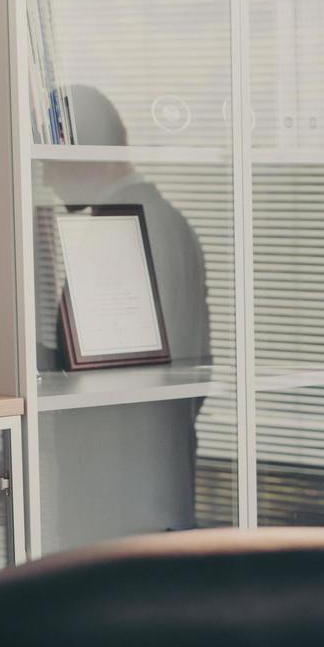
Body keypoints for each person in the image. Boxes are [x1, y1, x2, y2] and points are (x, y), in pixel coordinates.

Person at [39, 85, 212, 550]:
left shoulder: (117, 230)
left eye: (50, 163)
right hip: (162, 475)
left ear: (86, 154)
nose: (48, 181)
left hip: (113, 492)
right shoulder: (173, 222)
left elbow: (95, 373)